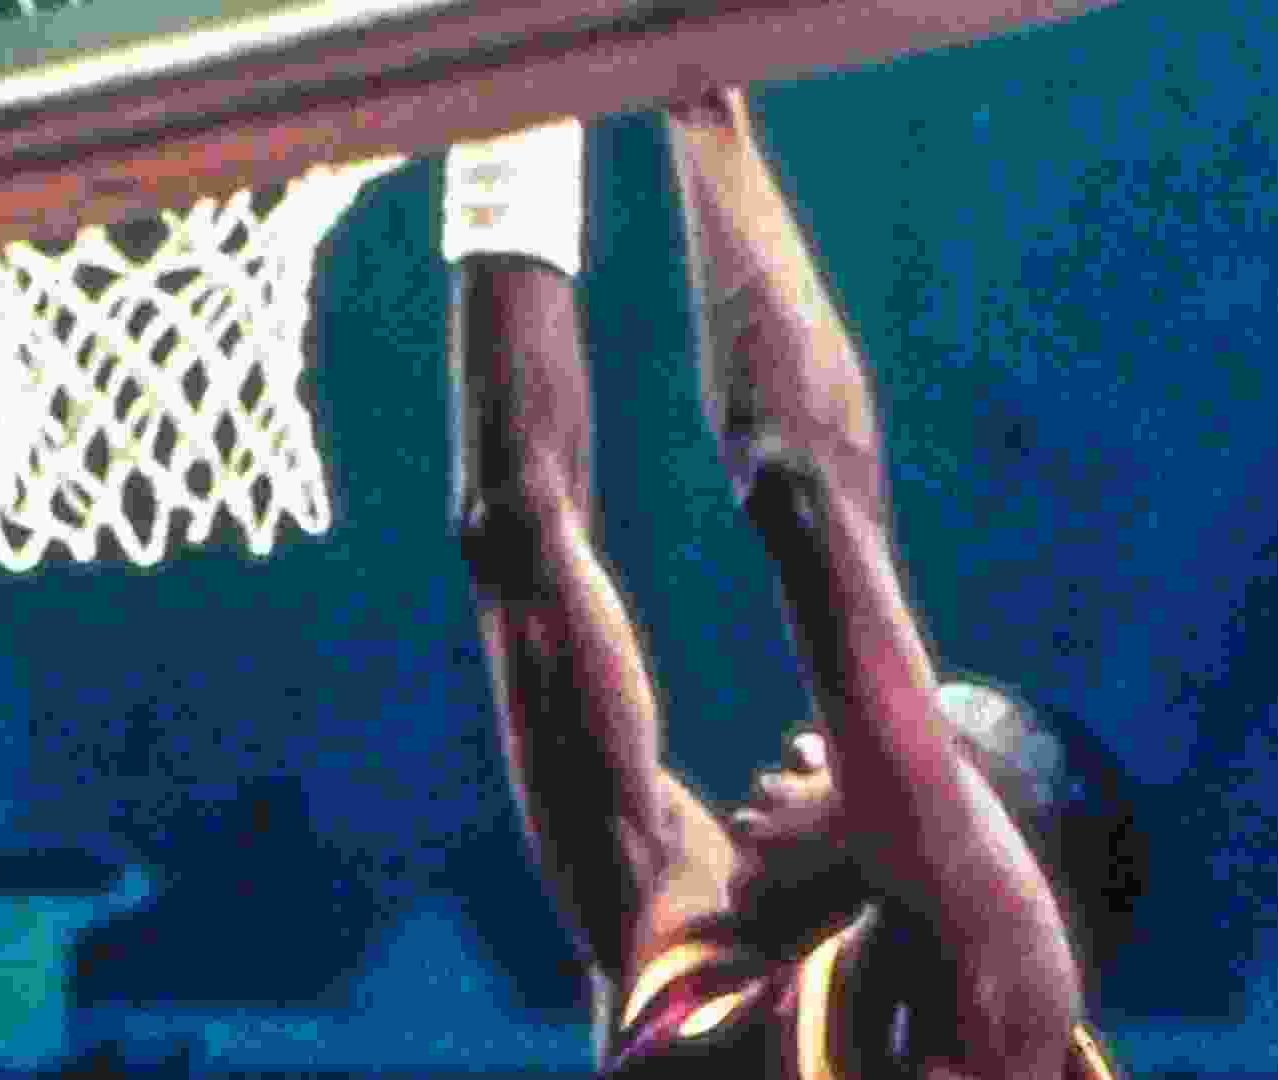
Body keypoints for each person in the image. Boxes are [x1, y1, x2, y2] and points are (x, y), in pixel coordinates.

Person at [444, 85, 1123, 1080]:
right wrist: (515, 117)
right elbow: (515, 532)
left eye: (919, 753)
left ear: (993, 844)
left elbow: (800, 486)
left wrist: (703, 98)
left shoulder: (996, 1016)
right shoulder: (688, 953)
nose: (818, 737)